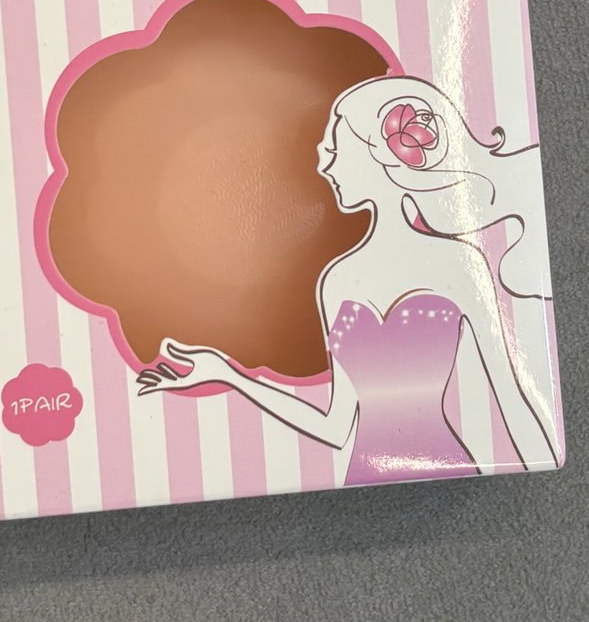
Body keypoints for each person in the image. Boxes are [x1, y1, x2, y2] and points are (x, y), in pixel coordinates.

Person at [136, 77, 558, 481]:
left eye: (336, 149)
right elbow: (336, 428)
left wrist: (543, 468)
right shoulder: (337, 280)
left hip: (447, 469)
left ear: (381, 155)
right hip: (362, 478)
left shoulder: (459, 264)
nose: (324, 165)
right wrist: (229, 375)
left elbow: (512, 398)